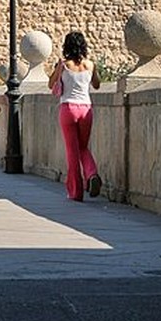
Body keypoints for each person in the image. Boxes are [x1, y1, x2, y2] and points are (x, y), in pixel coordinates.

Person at [48, 30, 102, 201]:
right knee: (83, 147)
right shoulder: (90, 65)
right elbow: (97, 85)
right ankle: (92, 174)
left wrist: (57, 69)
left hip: (68, 109)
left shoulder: (64, 65)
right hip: (86, 108)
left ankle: (76, 192)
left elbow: (51, 85)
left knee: (72, 152)